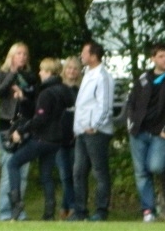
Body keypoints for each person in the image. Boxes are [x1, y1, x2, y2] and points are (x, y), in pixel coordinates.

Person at [125, 43, 165, 222]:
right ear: (153, 59)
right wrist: (131, 124)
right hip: (139, 132)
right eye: (161, 56)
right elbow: (131, 102)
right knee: (141, 172)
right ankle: (148, 210)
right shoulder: (144, 78)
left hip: (161, 133)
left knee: (156, 167)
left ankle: (161, 198)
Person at [6, 58, 73, 220]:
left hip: (42, 138)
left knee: (13, 163)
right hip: (56, 140)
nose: (40, 73)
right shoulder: (65, 91)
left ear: (49, 72)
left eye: (42, 70)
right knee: (46, 175)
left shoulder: (46, 93)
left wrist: (20, 131)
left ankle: (16, 202)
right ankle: (49, 213)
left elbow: (40, 118)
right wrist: (24, 99)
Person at [70, 41, 114, 221]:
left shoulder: (103, 77)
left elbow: (105, 105)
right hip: (82, 131)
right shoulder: (88, 74)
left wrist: (94, 125)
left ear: (94, 56)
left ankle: (101, 210)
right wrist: (79, 127)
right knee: (78, 171)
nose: (82, 56)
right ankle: (80, 211)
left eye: (84, 53)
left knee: (99, 171)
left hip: (96, 132)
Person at [0, 42, 36, 220]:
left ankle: (18, 211)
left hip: (25, 127)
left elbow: (35, 102)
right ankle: (4, 212)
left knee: (23, 172)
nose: (22, 57)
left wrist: (23, 95)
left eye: (25, 54)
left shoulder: (31, 77)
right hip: (6, 127)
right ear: (11, 56)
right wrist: (12, 74)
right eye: (18, 53)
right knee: (8, 171)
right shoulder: (2, 74)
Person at [56, 55, 81, 219]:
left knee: (73, 173)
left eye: (75, 68)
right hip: (59, 137)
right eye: (69, 68)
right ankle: (72, 206)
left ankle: (65, 206)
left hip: (76, 136)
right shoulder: (58, 89)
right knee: (64, 174)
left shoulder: (82, 90)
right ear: (64, 70)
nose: (72, 71)